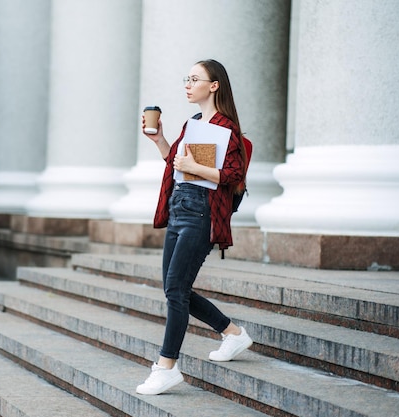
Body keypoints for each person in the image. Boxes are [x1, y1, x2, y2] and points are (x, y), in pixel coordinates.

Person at [136, 59, 253, 396]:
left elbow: (233, 176)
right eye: (186, 79)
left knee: (175, 289)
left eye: (195, 79)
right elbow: (178, 164)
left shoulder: (226, 128)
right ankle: (232, 333)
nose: (188, 84)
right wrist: (160, 140)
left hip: (202, 213)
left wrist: (196, 168)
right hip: (179, 207)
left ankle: (166, 366)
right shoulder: (195, 123)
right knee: (176, 289)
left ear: (214, 85)